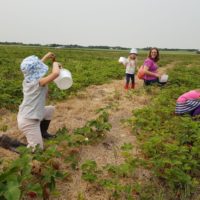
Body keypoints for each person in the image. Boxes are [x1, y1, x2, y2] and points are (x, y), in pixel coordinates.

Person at [17, 52, 61, 150]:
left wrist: (46, 57)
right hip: (29, 121)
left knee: (50, 109)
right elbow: (56, 73)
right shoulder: (39, 82)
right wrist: (55, 64)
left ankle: (42, 132)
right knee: (37, 149)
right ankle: (8, 142)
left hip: (29, 113)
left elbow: (33, 68)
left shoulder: (28, 79)